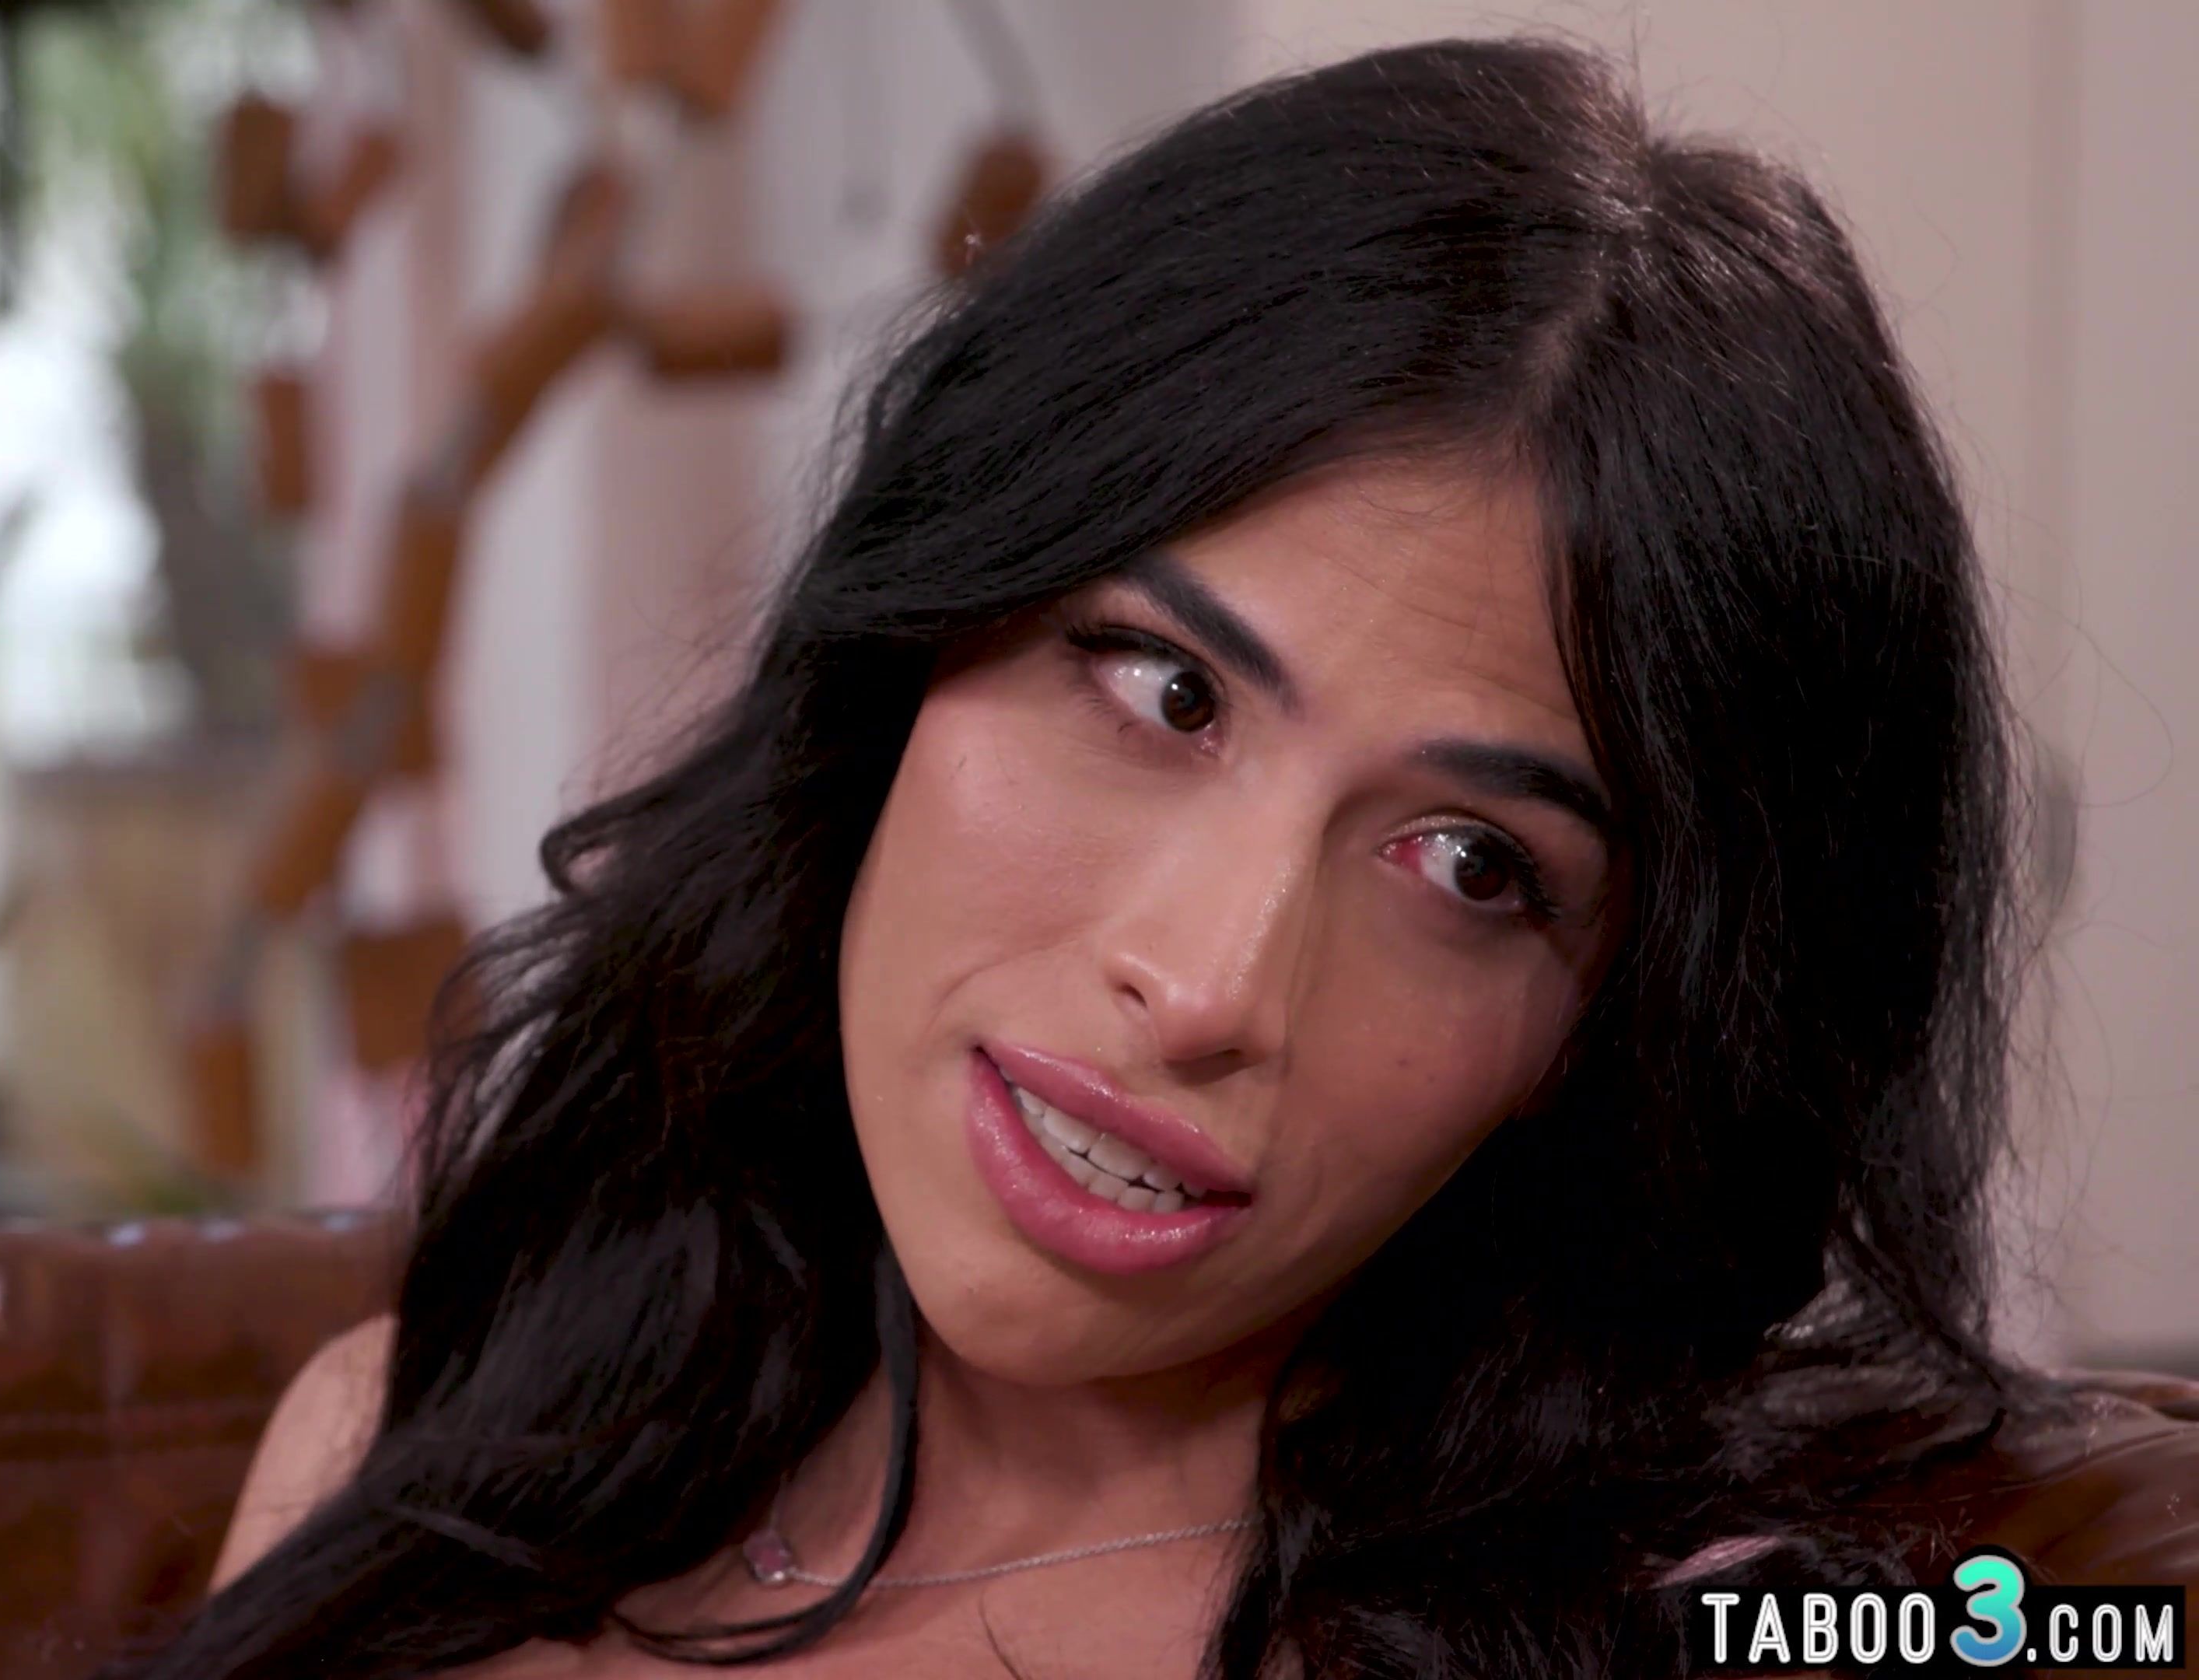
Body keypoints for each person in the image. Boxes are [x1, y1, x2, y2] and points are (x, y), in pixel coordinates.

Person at [129, 34, 2050, 1679]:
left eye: (1472, 864)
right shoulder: (408, 1440)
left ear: (1607, 1031)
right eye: (1163, 689)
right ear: (909, 644)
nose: (1207, 985)